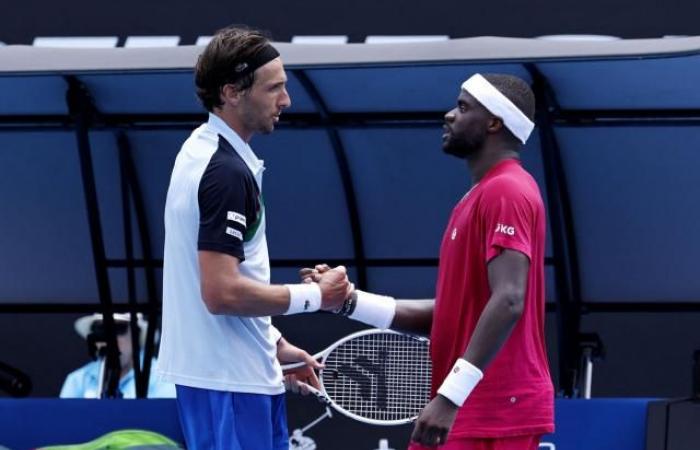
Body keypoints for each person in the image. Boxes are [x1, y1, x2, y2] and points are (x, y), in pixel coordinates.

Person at [303, 73, 554, 449]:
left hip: (495, 410)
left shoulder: (507, 189)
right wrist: (347, 301)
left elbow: (509, 299)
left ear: (494, 123)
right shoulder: (477, 197)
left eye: (464, 107)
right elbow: (455, 311)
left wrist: (450, 396)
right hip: (471, 408)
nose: (450, 115)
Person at [155, 25, 351, 450]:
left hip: (228, 378)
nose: (286, 100)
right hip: (231, 385)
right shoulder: (225, 172)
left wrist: (274, 344)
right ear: (232, 92)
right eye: (274, 88)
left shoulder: (198, 151)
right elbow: (221, 293)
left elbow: (217, 281)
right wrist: (316, 297)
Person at [60, 313, 175, 399]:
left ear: (136, 335)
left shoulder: (162, 378)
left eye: (119, 329)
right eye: (101, 330)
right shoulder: (77, 379)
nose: (110, 338)